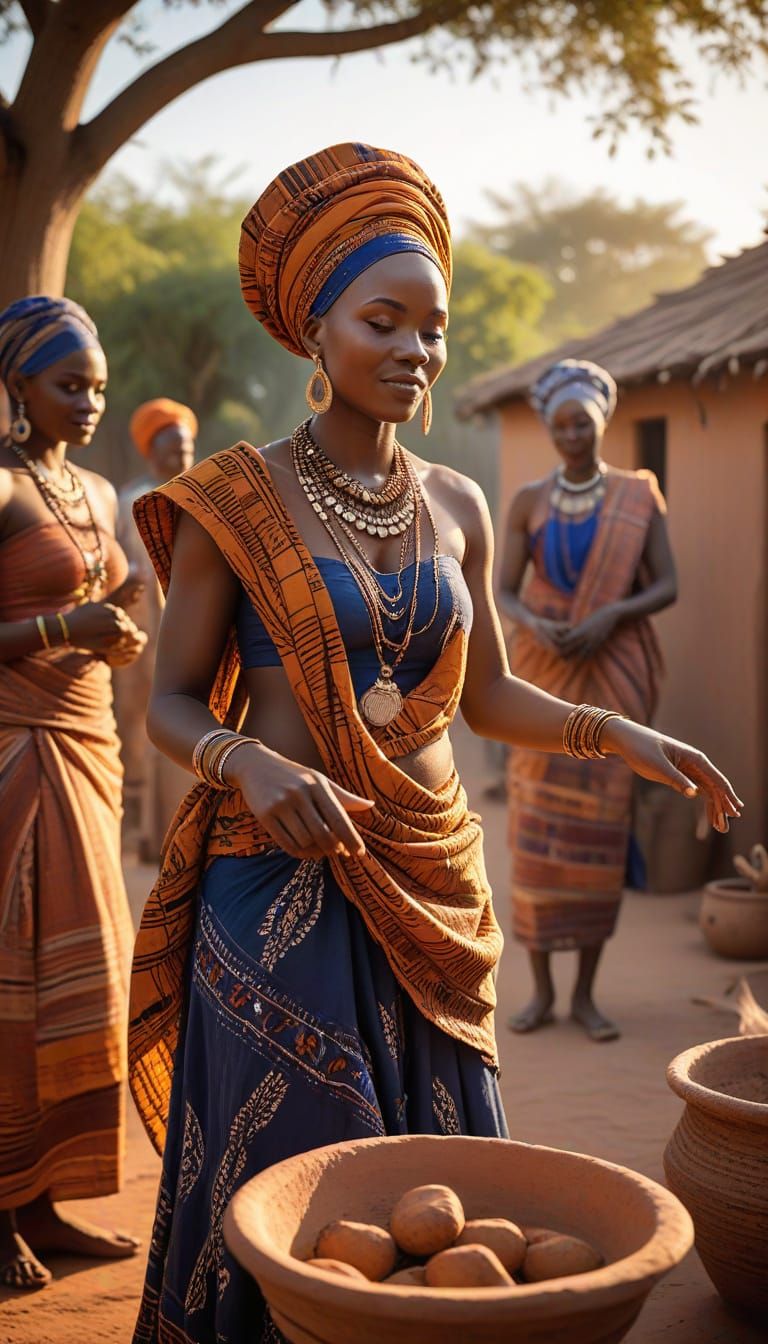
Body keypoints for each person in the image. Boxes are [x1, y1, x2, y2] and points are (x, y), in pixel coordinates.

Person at [127, 146, 740, 1344]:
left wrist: (623, 735)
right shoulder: (236, 498)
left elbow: (491, 698)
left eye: (434, 327)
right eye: (383, 319)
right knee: (300, 1199)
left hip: (435, 890)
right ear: (317, 332)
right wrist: (247, 759)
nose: (415, 347)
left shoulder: (459, 502)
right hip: (278, 882)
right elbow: (169, 703)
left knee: (436, 1203)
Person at [0, 296, 147, 1290]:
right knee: (11, 989)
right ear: (18, 389)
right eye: (68, 385)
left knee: (82, 987)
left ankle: (46, 1203)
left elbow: (119, 593)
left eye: (97, 384)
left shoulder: (95, 486)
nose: (89, 402)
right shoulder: (1, 488)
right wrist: (68, 629)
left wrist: (120, 623)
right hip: (17, 755)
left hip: (92, 750)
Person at [496, 359, 678, 1041]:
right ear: (548, 429)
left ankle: (587, 996)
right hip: (544, 678)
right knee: (537, 836)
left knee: (600, 835)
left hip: (613, 680)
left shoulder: (637, 496)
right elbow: (506, 589)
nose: (572, 434)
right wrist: (533, 622)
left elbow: (668, 584)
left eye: (584, 422)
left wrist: (613, 616)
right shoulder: (528, 502)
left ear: (603, 421)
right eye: (561, 425)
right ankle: (541, 994)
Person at [114, 399, 197, 860]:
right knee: (137, 730)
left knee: (185, 724)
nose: (179, 460)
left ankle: (177, 827)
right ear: (151, 454)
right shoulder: (130, 501)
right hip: (140, 633)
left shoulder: (202, 498)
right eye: (170, 452)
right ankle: (143, 833)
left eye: (184, 451)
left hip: (186, 631)